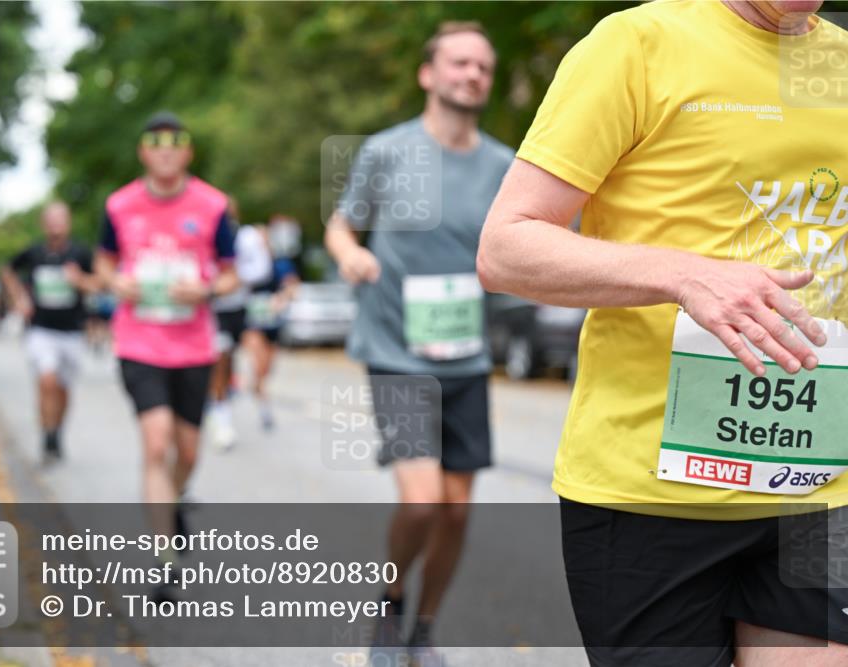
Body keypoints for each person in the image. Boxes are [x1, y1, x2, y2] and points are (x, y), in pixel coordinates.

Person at [477, 1, 846, 665]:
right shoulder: (637, 44)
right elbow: (506, 248)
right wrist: (684, 275)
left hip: (813, 479)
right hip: (651, 487)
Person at [324, 21, 514, 666]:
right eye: (459, 63)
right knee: (424, 498)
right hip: (396, 352)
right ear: (428, 74)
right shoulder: (386, 152)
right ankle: (388, 602)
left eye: (483, 67)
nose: (472, 75)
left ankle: (423, 631)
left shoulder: (503, 166)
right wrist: (350, 256)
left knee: (457, 513)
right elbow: (341, 227)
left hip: (466, 353)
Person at [93, 112, 239, 597]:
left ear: (188, 152)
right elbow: (103, 263)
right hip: (139, 340)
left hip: (194, 344)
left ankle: (173, 501)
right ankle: (164, 558)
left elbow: (231, 273)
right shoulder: (118, 206)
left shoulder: (214, 206)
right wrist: (117, 282)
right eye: (156, 142)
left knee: (188, 450)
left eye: (175, 143)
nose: (165, 150)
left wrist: (204, 290)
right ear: (143, 151)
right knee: (156, 443)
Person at [2, 201, 99, 460]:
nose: (56, 224)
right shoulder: (34, 252)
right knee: (47, 381)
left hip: (72, 332)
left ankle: (57, 431)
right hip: (41, 330)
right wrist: (19, 298)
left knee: (63, 389)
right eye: (51, 219)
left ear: (68, 223)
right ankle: (46, 434)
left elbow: (98, 285)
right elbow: (8, 270)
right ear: (44, 224)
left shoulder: (80, 253)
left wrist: (80, 281)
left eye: (61, 219)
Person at [242, 216, 300, 431]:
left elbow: (292, 286)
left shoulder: (280, 262)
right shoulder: (245, 264)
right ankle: (264, 406)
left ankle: (258, 389)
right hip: (253, 322)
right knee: (258, 362)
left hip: (273, 322)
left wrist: (282, 299)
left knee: (267, 368)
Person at [206, 196, 248, 450]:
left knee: (229, 359)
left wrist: (238, 279)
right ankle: (221, 415)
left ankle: (219, 398)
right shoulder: (205, 234)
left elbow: (257, 269)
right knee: (220, 358)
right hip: (212, 310)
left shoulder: (245, 237)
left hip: (237, 309)